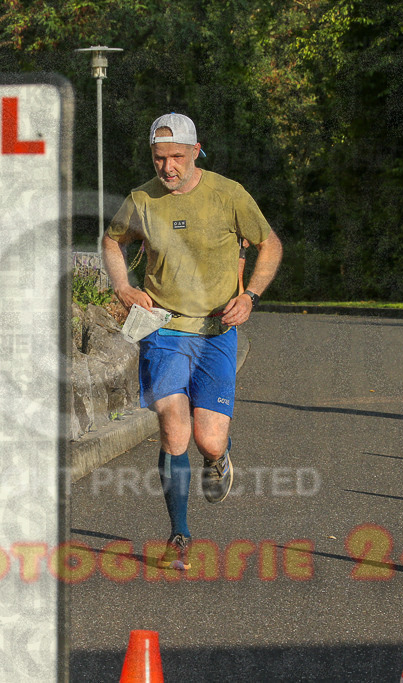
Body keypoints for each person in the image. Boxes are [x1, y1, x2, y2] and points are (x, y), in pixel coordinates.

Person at [101, 113, 283, 570]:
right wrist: (123, 287)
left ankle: (218, 459)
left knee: (209, 439)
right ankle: (179, 534)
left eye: (177, 158)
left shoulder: (228, 194)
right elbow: (112, 241)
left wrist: (251, 296)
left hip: (217, 330)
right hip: (163, 327)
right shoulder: (142, 199)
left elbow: (271, 244)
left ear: (196, 150)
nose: (168, 168)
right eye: (160, 158)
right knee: (173, 427)